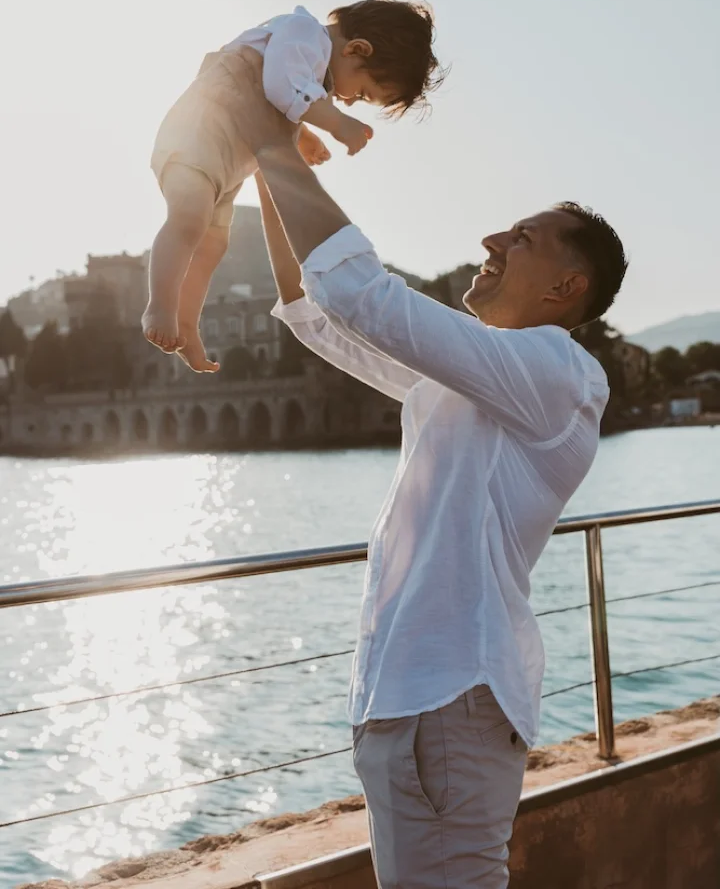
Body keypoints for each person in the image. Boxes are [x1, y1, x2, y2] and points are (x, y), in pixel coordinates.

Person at [236, 48, 627, 888]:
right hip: (416, 703)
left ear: (567, 286)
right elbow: (321, 317)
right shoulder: (476, 381)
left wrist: (267, 135)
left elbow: (364, 296)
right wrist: (271, 167)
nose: (489, 239)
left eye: (519, 238)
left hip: (449, 700)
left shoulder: (557, 372)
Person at [142, 0, 444, 372]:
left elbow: (281, 98)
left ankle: (186, 323)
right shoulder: (302, 33)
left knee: (213, 244)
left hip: (226, 164)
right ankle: (160, 304)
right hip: (198, 140)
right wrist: (335, 124)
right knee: (189, 220)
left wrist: (301, 137)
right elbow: (280, 85)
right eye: (362, 92)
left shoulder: (310, 69)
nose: (348, 101)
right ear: (356, 49)